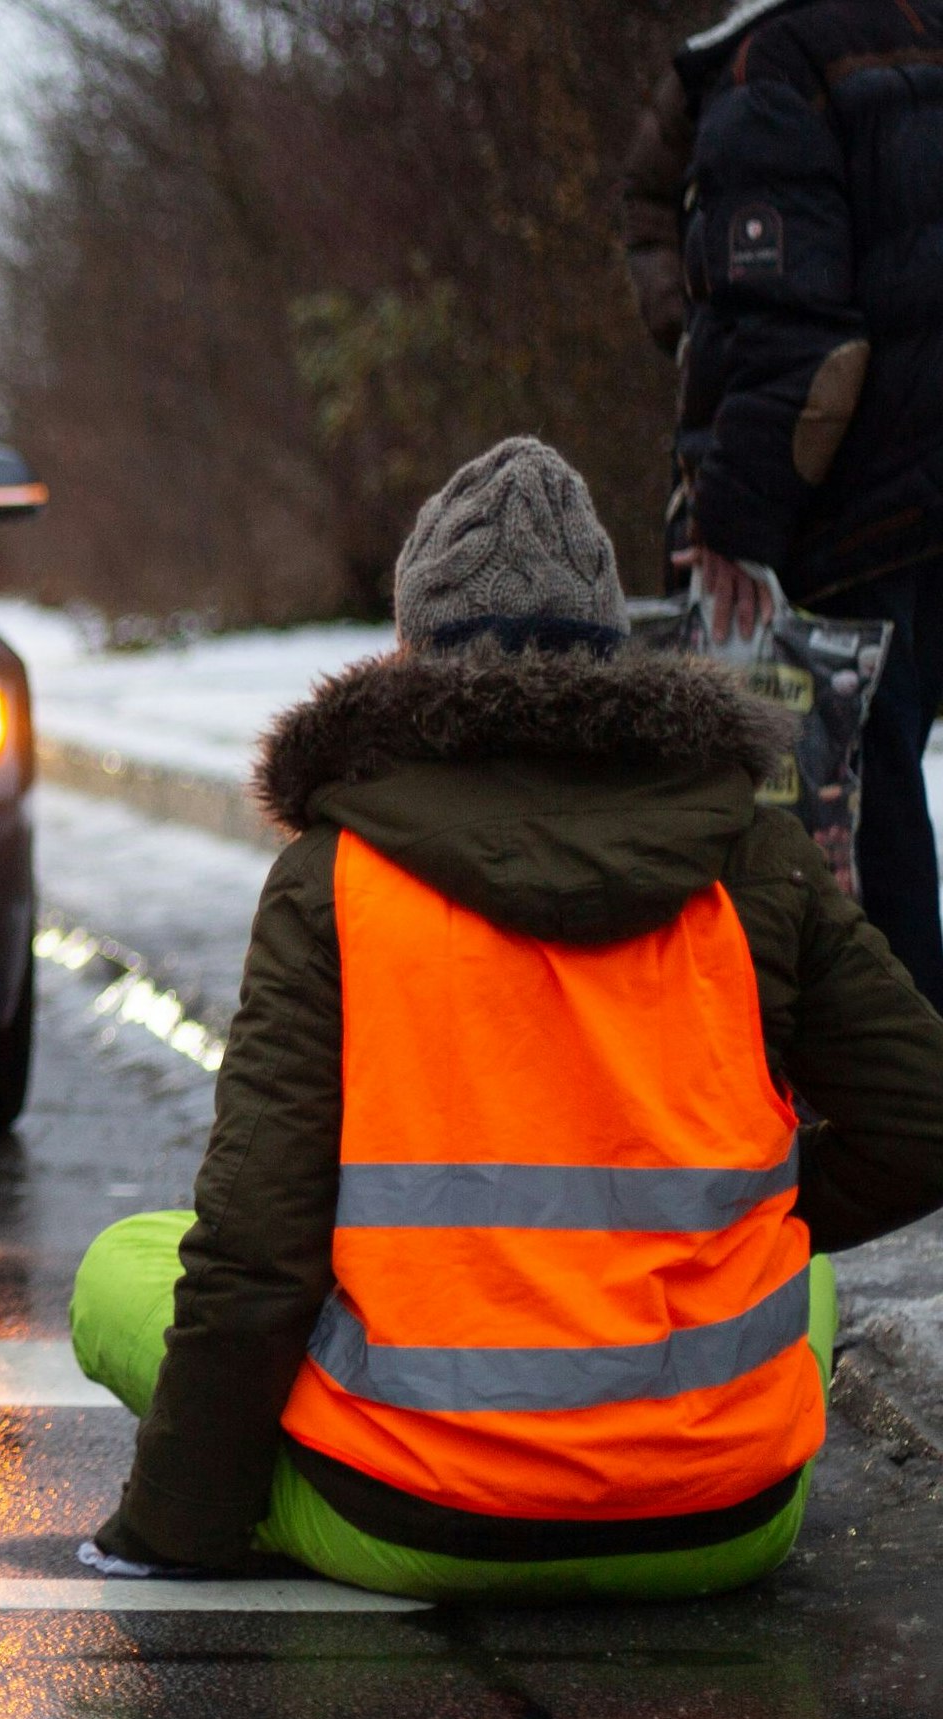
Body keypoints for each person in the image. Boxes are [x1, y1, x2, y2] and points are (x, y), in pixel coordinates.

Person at [74, 439, 943, 1602]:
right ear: (611, 650)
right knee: (802, 1281)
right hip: (719, 1518)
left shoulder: (336, 876)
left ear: (412, 654)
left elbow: (255, 1249)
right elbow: (923, 1117)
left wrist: (167, 1531)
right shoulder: (749, 857)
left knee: (119, 1268)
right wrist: (741, 1233)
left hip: (423, 1511)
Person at [669, 0, 943, 999]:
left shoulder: (777, 59)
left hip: (847, 526)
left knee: (867, 877)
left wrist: (731, 519)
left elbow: (794, 333)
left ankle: (896, 1137)